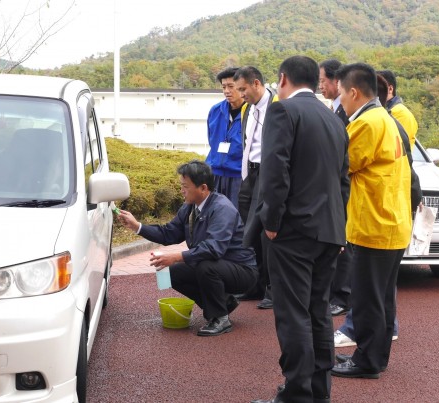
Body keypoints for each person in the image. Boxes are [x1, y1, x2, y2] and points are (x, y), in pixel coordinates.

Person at [250, 55, 350, 403]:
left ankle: (296, 394)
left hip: (293, 230)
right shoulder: (334, 118)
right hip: (329, 231)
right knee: (318, 312)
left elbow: (275, 171)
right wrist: (339, 228)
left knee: (292, 314)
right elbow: (343, 180)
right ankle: (318, 392)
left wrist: (272, 222)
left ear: (282, 79)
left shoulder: (283, 111)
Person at [331, 63, 412, 379]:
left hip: (373, 225)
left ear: (353, 92)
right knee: (380, 299)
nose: (340, 101)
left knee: (366, 300)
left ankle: (366, 360)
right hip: (390, 223)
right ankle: (375, 358)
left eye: (340, 93)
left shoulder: (366, 123)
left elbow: (341, 165)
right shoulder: (385, 118)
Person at [117, 160, 257, 337]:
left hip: (242, 271)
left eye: (185, 186)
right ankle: (224, 303)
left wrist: (176, 256)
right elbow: (169, 233)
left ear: (203, 188)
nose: (182, 190)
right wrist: (137, 226)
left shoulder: (222, 208)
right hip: (218, 265)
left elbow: (213, 249)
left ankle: (220, 318)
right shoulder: (190, 207)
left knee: (205, 266)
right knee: (172, 273)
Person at [233, 65, 278, 309]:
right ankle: (256, 284)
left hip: (267, 173)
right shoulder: (247, 109)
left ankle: (272, 288)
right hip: (248, 173)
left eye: (243, 89)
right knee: (248, 231)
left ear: (257, 83)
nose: (241, 94)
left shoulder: (278, 105)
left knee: (266, 233)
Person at [319, 58, 353, 318]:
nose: (321, 86)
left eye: (323, 81)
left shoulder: (349, 113)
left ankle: (342, 295)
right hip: (335, 186)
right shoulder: (333, 110)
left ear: (336, 82)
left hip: (347, 188)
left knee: (345, 244)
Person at [205, 67, 245, 206]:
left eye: (230, 86)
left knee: (237, 219)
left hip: (239, 176)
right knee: (214, 217)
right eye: (223, 87)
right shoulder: (215, 110)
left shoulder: (252, 112)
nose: (226, 91)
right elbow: (211, 140)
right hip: (214, 174)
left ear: (241, 87)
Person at [377, 69, 418, 150]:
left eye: (377, 87)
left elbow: (395, 148)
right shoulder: (380, 111)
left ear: (390, 89)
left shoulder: (401, 114)